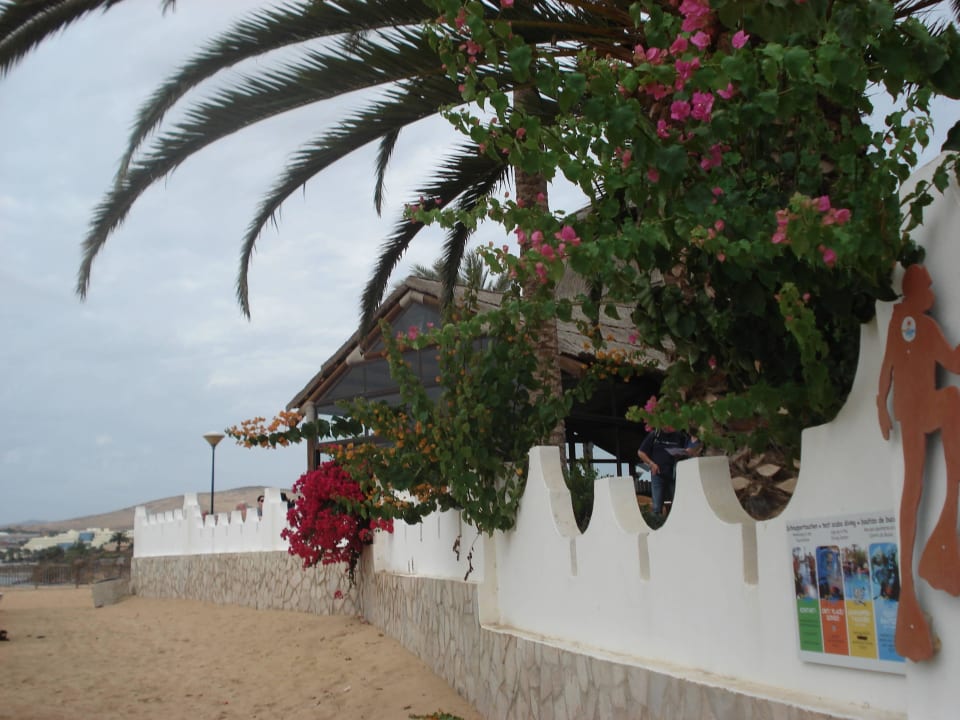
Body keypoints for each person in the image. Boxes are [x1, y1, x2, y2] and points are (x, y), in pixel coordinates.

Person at [877, 263, 960, 661]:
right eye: (927, 286)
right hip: (920, 411)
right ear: (917, 291)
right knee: (952, 402)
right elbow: (954, 364)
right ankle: (944, 524)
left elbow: (886, 372)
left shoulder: (899, 326)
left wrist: (881, 405)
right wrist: (880, 405)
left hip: (910, 415)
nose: (931, 293)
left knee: (911, 491)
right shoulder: (920, 327)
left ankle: (920, 569)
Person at [637, 427, 701, 515]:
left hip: (675, 475)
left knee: (677, 503)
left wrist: (683, 453)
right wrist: (651, 464)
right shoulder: (655, 435)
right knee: (657, 506)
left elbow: (690, 451)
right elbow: (641, 452)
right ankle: (657, 521)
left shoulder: (680, 435)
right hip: (658, 474)